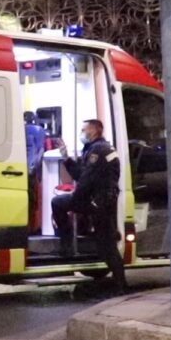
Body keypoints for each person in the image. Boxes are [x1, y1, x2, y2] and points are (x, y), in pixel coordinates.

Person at [51, 119, 126, 291]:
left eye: (83, 130)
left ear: (93, 131)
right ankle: (120, 284)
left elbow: (85, 181)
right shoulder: (97, 148)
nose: (82, 133)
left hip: (99, 202)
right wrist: (66, 158)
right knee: (106, 243)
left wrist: (75, 200)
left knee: (107, 245)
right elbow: (82, 175)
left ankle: (121, 286)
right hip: (100, 201)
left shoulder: (98, 151)